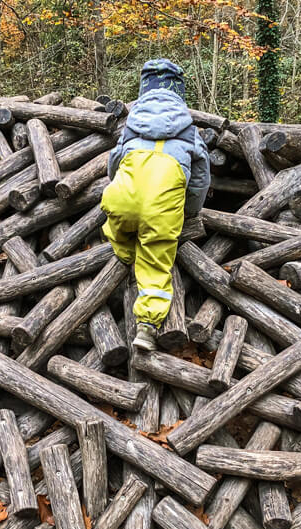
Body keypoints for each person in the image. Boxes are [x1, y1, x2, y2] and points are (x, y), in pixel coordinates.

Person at [102, 59, 211, 352]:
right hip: (162, 206)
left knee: (117, 224)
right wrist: (189, 211)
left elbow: (114, 163)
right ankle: (147, 327)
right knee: (156, 260)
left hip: (123, 195)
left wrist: (119, 185)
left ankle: (125, 253)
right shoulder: (189, 133)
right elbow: (200, 181)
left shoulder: (132, 126)